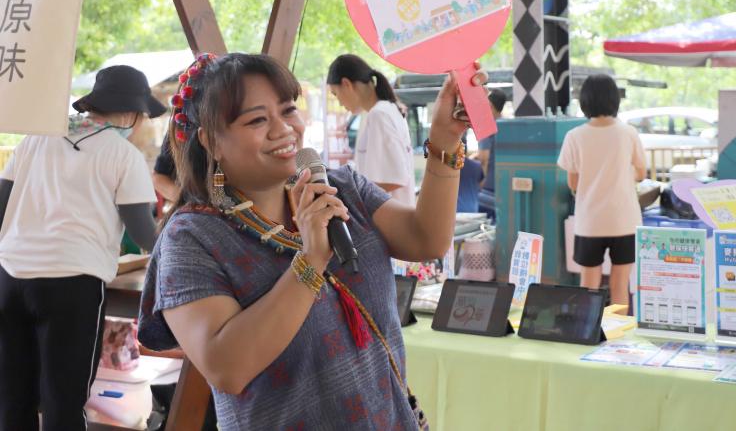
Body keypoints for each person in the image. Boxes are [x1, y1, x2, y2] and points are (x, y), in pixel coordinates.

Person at [138, 53, 482, 430]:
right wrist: (311, 260)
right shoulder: (190, 238)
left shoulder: (343, 189)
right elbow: (226, 368)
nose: (283, 129)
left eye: (288, 110)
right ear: (211, 141)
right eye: (257, 120)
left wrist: (445, 138)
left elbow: (425, 239)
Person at [0, 65, 162, 430]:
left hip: (10, 277)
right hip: (72, 284)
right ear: (130, 113)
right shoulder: (122, 155)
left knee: (12, 395)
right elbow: (143, 233)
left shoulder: (36, 139)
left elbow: (1, 206)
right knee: (63, 398)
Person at [557, 75, 647, 306]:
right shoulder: (628, 133)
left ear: (584, 101)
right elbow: (641, 173)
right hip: (624, 220)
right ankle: (620, 329)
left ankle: (586, 325)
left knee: (588, 285)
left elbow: (573, 183)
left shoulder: (574, 136)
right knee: (620, 284)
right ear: (614, 100)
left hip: (590, 221)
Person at [327, 54, 415, 206]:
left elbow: (394, 179)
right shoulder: (382, 111)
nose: (339, 102)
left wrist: (349, 195)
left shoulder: (379, 114)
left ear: (346, 84)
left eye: (336, 94)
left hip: (390, 216)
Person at [477, 88, 506, 220]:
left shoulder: (486, 125)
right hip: (505, 183)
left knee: (487, 224)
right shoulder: (507, 125)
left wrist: (482, 179)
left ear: (490, 106)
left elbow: (484, 158)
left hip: (489, 186)